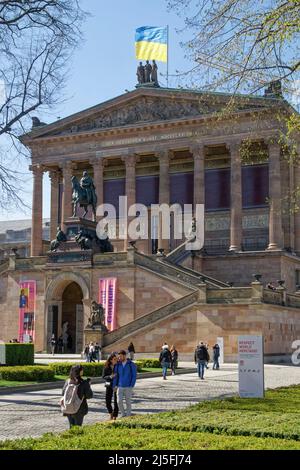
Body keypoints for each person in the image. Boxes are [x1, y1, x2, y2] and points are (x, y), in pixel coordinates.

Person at [112, 350, 137, 418]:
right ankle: (123, 414)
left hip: (128, 386)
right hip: (119, 386)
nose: (119, 358)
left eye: (120, 356)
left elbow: (134, 375)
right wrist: (114, 385)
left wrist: (131, 385)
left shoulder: (131, 364)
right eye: (119, 356)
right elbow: (116, 376)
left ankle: (128, 415)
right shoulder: (118, 365)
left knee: (128, 402)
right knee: (118, 401)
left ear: (124, 356)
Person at [102, 353, 119, 420]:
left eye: (116, 359)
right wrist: (110, 376)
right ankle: (111, 413)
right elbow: (103, 376)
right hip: (108, 385)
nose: (116, 360)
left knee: (116, 401)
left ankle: (115, 415)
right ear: (111, 360)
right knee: (107, 401)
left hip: (116, 385)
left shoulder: (118, 366)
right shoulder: (106, 366)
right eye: (114, 359)